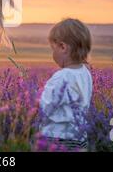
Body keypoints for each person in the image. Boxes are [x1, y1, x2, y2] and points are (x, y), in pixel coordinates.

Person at [39, 18, 93, 151]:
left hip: (57, 138)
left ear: (63, 47)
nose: (53, 53)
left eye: (53, 48)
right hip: (79, 137)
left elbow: (45, 107)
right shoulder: (85, 73)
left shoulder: (61, 77)